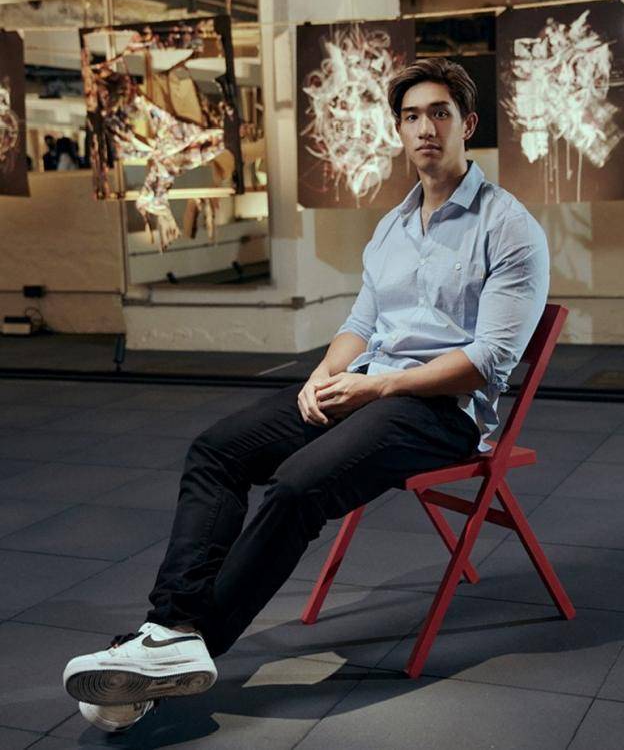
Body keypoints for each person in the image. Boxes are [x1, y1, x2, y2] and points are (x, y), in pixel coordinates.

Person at [62, 57, 550, 732]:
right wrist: (324, 376)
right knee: (218, 450)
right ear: (399, 130)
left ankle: (188, 643)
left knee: (297, 485)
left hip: (441, 412)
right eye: (411, 116)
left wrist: (377, 384)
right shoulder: (394, 227)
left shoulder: (508, 226)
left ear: (466, 124)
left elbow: (487, 361)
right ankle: (169, 629)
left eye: (439, 113)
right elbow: (361, 324)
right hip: (369, 387)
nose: (424, 129)